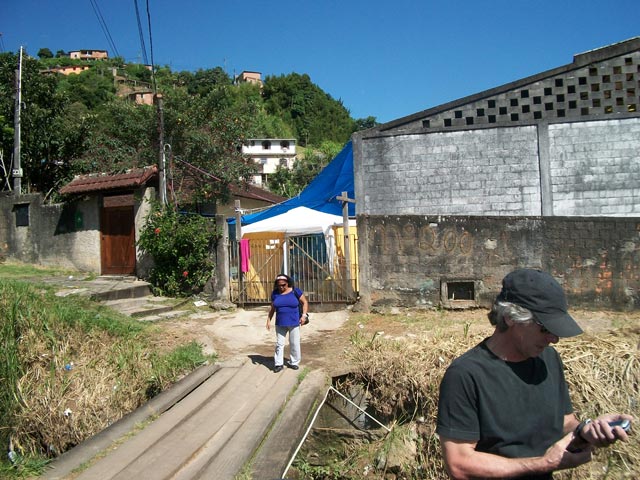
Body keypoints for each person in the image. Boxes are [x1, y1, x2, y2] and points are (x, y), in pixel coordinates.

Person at [436, 268, 633, 479]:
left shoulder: (549, 360)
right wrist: (543, 463)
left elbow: (565, 422)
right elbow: (459, 464)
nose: (554, 339)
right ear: (511, 318)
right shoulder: (466, 375)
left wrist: (587, 431)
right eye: (545, 328)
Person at [266, 274, 309, 373]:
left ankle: (294, 362)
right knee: (279, 344)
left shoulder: (295, 291)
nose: (281, 287)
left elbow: (305, 303)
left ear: (288, 283)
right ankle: (278, 364)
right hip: (280, 323)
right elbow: (272, 308)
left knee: (294, 343)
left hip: (294, 322)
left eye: (283, 285)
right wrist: (268, 320)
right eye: (279, 285)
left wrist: (304, 316)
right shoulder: (275, 294)